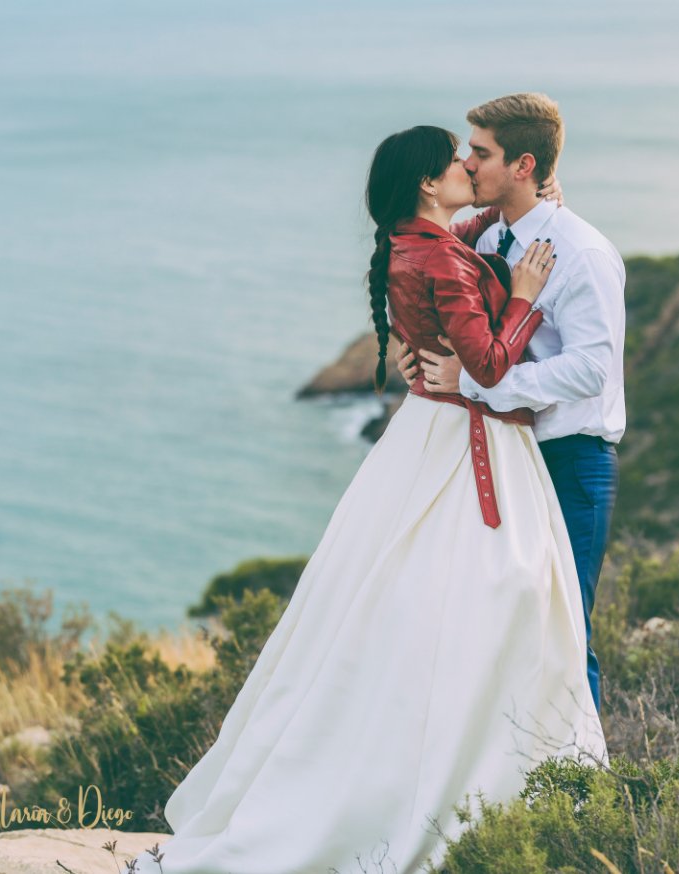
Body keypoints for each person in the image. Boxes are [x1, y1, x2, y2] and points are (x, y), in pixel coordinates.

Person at [130, 125, 606, 874]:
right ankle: (477, 782)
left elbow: (459, 249)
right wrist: (522, 297)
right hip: (467, 440)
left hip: (425, 437)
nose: (466, 169)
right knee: (498, 607)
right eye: (457, 160)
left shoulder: (412, 242)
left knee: (400, 608)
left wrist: (510, 214)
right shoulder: (443, 256)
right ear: (427, 182)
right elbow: (484, 363)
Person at [396, 93, 626, 715]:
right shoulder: (492, 233)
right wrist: (418, 354)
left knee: (563, 635)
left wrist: (472, 383)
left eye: (481, 153)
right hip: (504, 457)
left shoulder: (580, 252)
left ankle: (578, 797)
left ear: (523, 165)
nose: (467, 164)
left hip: (570, 459)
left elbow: (591, 369)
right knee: (493, 629)